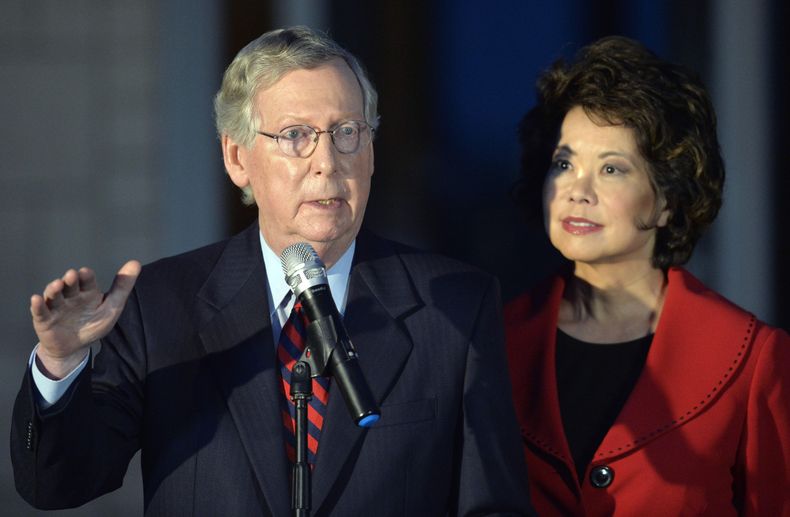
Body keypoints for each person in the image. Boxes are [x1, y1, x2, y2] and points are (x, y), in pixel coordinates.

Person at [11, 26, 534, 516]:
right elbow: (58, 485)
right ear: (238, 158)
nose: (327, 160)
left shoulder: (456, 306)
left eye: (347, 131)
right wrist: (62, 361)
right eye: (295, 135)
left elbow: (491, 504)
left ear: (371, 152)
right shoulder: (163, 305)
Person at [506, 36, 790, 516]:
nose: (578, 190)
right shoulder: (491, 340)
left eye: (612, 168)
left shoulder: (754, 358)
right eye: (564, 163)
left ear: (667, 201)